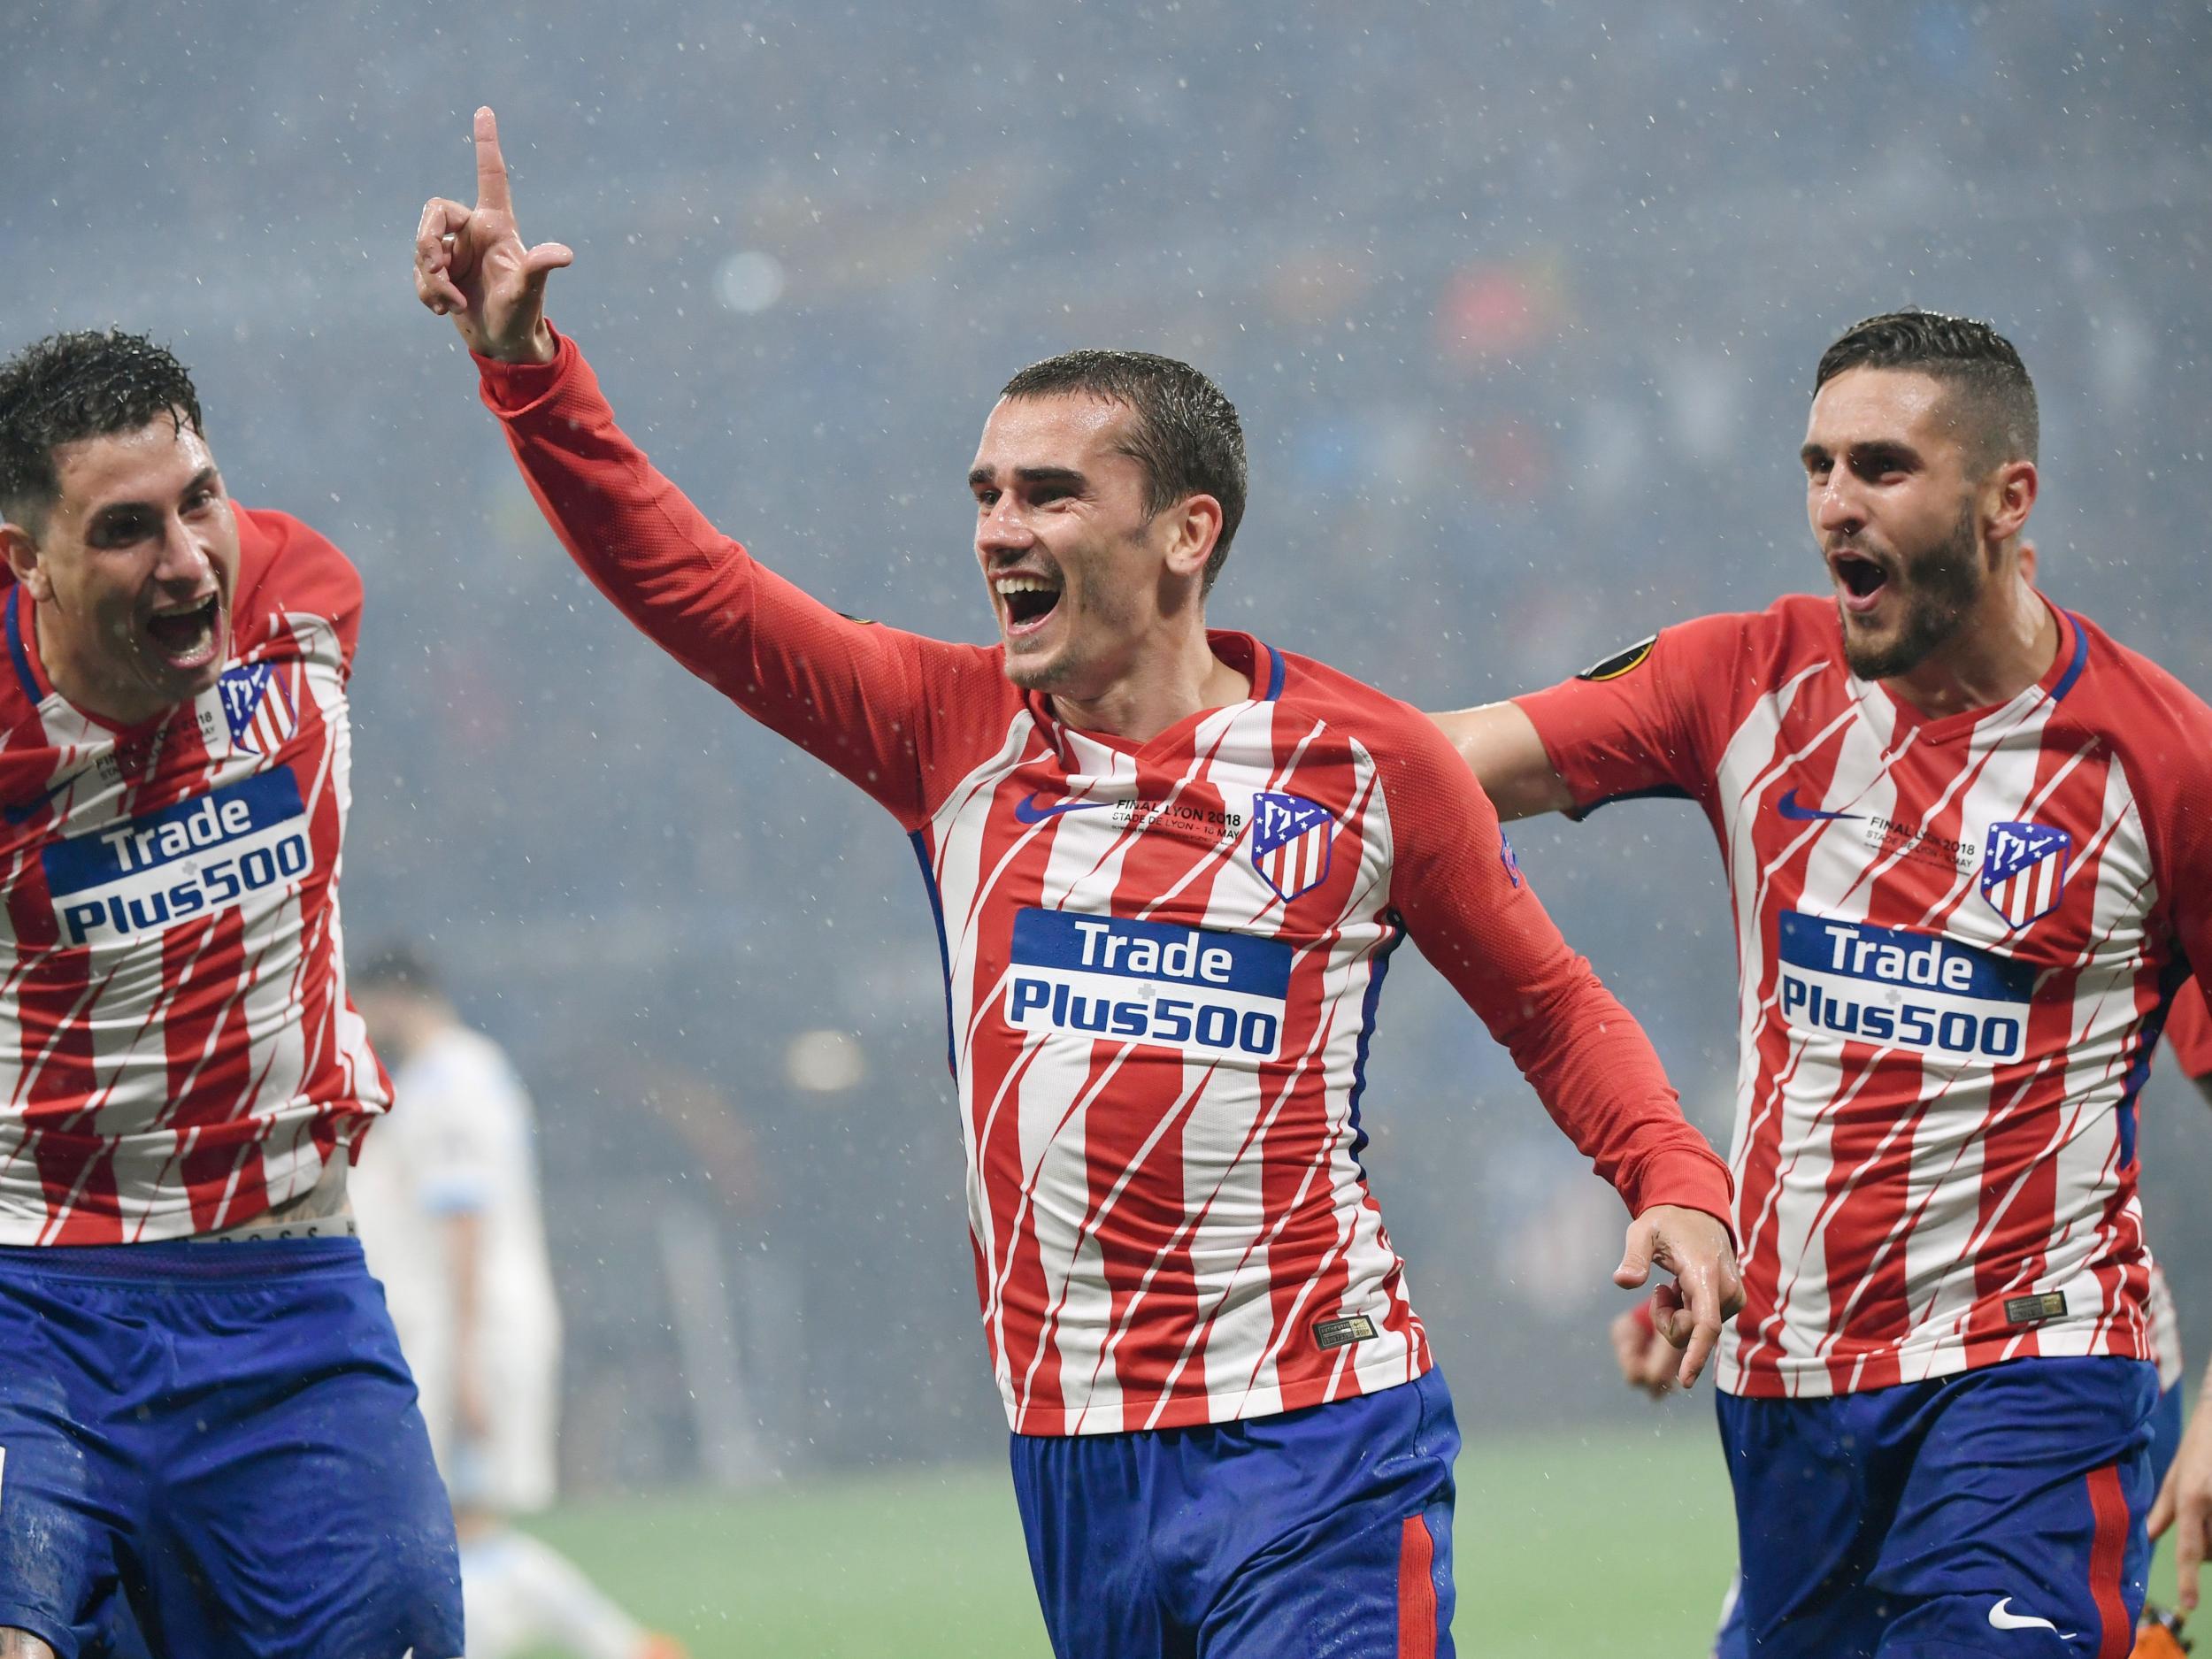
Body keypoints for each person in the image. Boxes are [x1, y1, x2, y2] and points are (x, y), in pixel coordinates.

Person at [412, 108, 1743, 1657]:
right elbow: (695, 587)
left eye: (1047, 493)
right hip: (1074, 1452)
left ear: (1188, 532)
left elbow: (1553, 1003)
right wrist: (527, 369)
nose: (997, 529)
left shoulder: (1366, 762)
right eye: (985, 492)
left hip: (1316, 1433)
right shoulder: (949, 731)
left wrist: (1675, 1181)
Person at [1429, 309, 2212, 1652]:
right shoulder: (1743, 676)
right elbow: (1439, 765)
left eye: (1883, 467)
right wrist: (1209, 741)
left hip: (2031, 1362)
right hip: (1789, 1380)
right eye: (1817, 465)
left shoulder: (2160, 758)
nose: (1834, 503)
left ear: (2007, 497)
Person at [0, 331, 458, 1655]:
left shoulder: (305, 593)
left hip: (287, 1279)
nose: (190, 559)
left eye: (200, 499)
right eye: (127, 529)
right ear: (26, 559)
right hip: (32, 1285)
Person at [1606, 984, 2212, 1656]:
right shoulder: (1806, 898)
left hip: (2042, 1349)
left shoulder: (2120, 881)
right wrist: (1717, 1264)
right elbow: (1835, 1108)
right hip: (1825, 1379)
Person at [349, 945, 687, 1659]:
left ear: (395, 996)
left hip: (462, 1330)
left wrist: (467, 1358)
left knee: (450, 1527)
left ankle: (618, 1644)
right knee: (454, 1528)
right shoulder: (462, 1073)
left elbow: (463, 1219)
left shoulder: (452, 1082)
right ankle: (623, 1644)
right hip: (451, 1328)